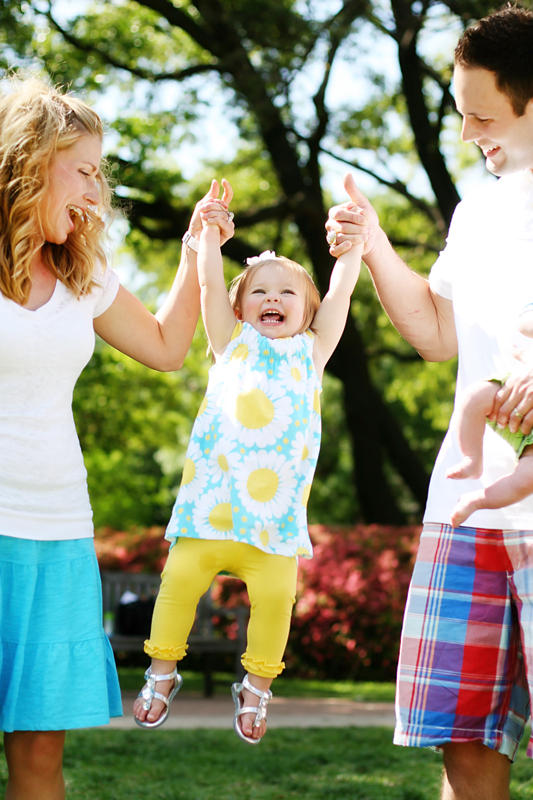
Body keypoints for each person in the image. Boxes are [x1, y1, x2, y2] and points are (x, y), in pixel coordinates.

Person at [0, 75, 234, 800]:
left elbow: (166, 347)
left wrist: (196, 251)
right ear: (30, 163)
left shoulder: (84, 273)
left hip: (57, 531)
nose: (95, 193)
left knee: (41, 753)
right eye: (84, 171)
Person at [326, 6, 533, 799]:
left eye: (483, 117)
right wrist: (374, 243)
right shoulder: (478, 209)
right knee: (463, 747)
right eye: (461, 114)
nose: (468, 133)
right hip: (466, 509)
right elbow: (436, 334)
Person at [133, 193, 363, 743]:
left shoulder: (312, 352)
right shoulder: (230, 342)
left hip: (273, 524)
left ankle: (256, 688)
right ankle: (161, 675)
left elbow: (342, 290)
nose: (272, 298)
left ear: (307, 312)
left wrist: (354, 248)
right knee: (177, 584)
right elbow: (211, 285)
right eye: (259, 291)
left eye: (287, 293)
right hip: (209, 511)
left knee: (276, 602)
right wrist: (210, 237)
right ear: (240, 309)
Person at [448, 304, 533, 526]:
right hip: (518, 393)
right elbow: (524, 322)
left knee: (526, 479)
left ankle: (477, 500)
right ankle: (472, 459)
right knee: (474, 397)